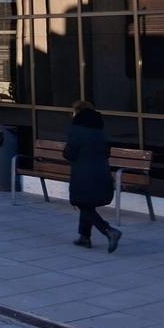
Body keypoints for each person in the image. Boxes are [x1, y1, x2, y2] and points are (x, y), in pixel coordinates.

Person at [63, 100, 122, 253]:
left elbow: (69, 153)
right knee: (87, 203)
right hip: (101, 173)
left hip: (83, 174)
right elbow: (107, 152)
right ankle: (84, 237)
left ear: (77, 112)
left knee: (82, 203)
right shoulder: (100, 129)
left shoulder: (76, 129)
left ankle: (109, 231)